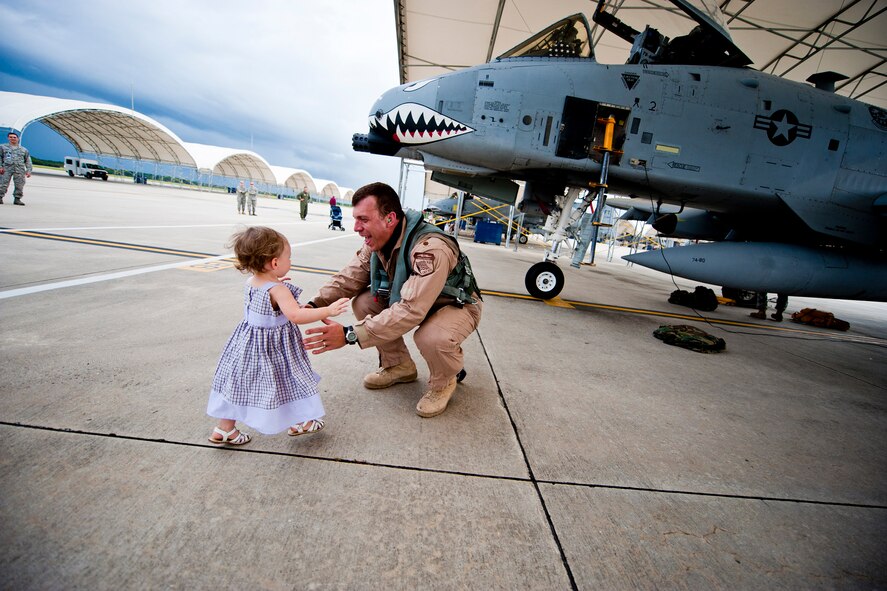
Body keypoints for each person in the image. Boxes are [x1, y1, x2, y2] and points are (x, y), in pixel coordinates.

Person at [303, 182, 483, 418]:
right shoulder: (377, 242)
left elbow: (411, 310)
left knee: (431, 337)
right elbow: (349, 277)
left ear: (389, 219)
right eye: (355, 219)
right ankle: (399, 365)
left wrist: (351, 334)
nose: (356, 227)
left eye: (363, 219)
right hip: (416, 301)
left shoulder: (431, 248)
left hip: (454, 306)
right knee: (364, 302)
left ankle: (444, 381)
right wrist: (312, 305)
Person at [206, 226, 350, 445]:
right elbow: (296, 315)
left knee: (239, 384)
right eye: (288, 257)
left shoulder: (253, 282)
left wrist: (277, 283)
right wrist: (328, 310)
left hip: (247, 345)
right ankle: (300, 421)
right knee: (289, 381)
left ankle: (224, 429)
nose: (289, 261)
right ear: (275, 263)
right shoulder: (277, 290)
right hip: (274, 349)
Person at [0, 131, 33, 206]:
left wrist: (29, 170)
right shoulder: (2, 147)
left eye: (14, 137)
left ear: (18, 138)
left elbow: (28, 160)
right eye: (11, 137)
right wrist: (0, 167)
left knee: (19, 184)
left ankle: (17, 199)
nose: (13, 139)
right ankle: (0, 197)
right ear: (8, 138)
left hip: (19, 169)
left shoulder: (23, 150)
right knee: (3, 184)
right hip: (6, 168)